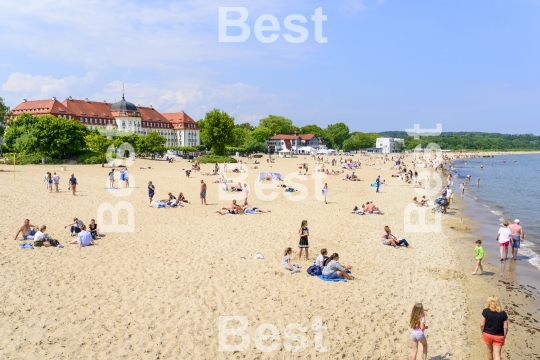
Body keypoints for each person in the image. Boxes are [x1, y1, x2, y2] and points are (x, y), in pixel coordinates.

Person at [481, 296, 508, 360]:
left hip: (487, 334)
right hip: (499, 336)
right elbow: (506, 327)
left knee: (489, 351)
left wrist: (482, 332)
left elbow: (482, 324)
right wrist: (504, 336)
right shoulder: (503, 313)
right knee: (497, 354)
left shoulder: (485, 311)